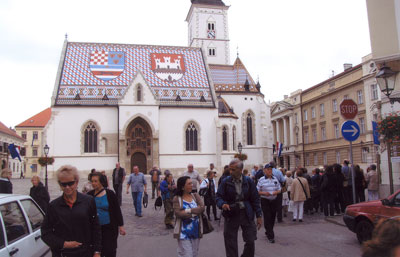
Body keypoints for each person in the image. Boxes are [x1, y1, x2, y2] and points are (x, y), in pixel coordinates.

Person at [41, 165, 101, 257]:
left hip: (85, 253)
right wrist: (64, 244)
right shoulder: (53, 206)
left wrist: (97, 251)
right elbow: (45, 233)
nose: (67, 187)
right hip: (62, 253)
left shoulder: (88, 201)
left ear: (76, 182)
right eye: (63, 184)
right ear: (59, 184)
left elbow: (96, 227)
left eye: (71, 183)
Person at [216, 158, 262, 257]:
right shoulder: (225, 182)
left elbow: (255, 199)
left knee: (250, 240)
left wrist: (259, 215)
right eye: (230, 169)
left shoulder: (249, 181)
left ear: (240, 170)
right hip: (231, 213)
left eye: (233, 169)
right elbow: (218, 196)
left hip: (246, 213)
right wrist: (222, 204)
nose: (230, 171)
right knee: (230, 241)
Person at [88, 172, 126, 257]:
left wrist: (121, 226)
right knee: (96, 251)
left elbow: (117, 210)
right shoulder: (89, 195)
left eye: (95, 181)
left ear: (101, 181)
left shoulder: (110, 194)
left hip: (109, 228)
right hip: (95, 229)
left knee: (109, 250)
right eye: (92, 181)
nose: (93, 183)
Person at [173, 176, 205, 257]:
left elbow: (202, 208)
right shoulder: (177, 198)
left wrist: (188, 211)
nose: (192, 185)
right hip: (183, 233)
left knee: (194, 254)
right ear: (183, 187)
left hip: (196, 231)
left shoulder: (195, 196)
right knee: (188, 254)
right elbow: (178, 214)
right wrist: (195, 211)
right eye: (189, 183)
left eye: (192, 183)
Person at [257, 163, 281, 243]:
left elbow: (279, 189)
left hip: (274, 200)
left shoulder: (275, 179)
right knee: (267, 216)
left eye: (271, 169)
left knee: (273, 217)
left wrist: (276, 192)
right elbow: (257, 191)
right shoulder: (261, 179)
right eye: (268, 169)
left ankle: (268, 230)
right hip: (265, 200)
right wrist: (264, 193)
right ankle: (271, 236)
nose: (270, 171)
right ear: (264, 170)